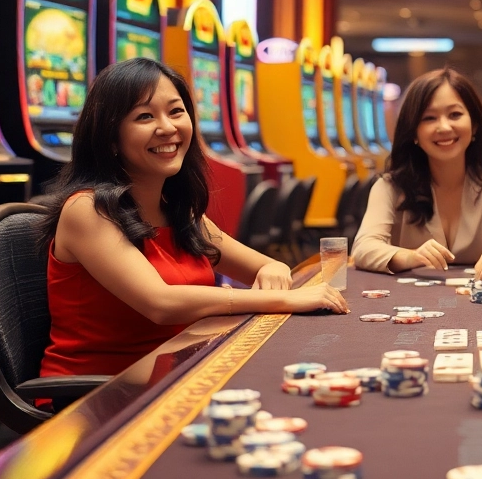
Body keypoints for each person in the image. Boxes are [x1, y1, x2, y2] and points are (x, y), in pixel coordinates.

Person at [38, 59, 347, 379]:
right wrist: (281, 298)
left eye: (176, 111)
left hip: (180, 367)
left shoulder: (178, 210)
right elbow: (161, 303)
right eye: (144, 116)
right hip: (99, 395)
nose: (168, 127)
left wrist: (275, 272)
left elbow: (267, 265)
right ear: (111, 138)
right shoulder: (87, 210)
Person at [352, 67, 482, 280]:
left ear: (474, 125)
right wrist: (412, 256)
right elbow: (363, 248)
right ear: (414, 132)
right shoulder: (390, 186)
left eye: (455, 114)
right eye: (429, 118)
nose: (444, 126)